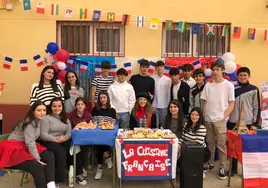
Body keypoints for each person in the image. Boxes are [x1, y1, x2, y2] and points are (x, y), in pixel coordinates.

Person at [0, 101, 57, 188]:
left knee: (49, 155)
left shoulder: (38, 120)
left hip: (24, 145)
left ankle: (51, 185)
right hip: (14, 149)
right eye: (39, 110)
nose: (42, 113)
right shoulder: (30, 122)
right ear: (33, 111)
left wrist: (54, 138)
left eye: (44, 110)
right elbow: (30, 142)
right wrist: (37, 158)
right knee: (37, 166)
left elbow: (37, 136)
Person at [40, 97, 87, 186]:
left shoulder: (66, 119)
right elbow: (43, 134)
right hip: (47, 141)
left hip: (61, 140)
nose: (57, 108)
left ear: (62, 107)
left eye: (59, 106)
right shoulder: (46, 118)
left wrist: (64, 138)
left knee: (74, 147)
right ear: (51, 107)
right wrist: (55, 139)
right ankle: (57, 179)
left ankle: (77, 174)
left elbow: (69, 133)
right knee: (61, 151)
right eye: (54, 106)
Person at [201, 61, 235, 180]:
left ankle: (222, 167)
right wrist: (204, 117)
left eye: (217, 70)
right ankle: (210, 163)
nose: (215, 72)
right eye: (213, 70)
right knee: (210, 143)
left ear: (222, 70)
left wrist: (223, 117)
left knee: (221, 145)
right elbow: (204, 102)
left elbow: (231, 104)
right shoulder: (208, 85)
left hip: (220, 120)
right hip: (208, 119)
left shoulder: (228, 85)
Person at [228, 67, 260, 176]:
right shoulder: (232, 88)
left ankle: (247, 170)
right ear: (237, 76)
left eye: (245, 75)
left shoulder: (254, 89)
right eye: (240, 75)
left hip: (248, 122)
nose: (243, 77)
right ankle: (233, 169)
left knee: (246, 147)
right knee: (233, 146)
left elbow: (257, 107)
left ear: (249, 76)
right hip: (233, 121)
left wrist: (254, 124)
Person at [177, 107, 210, 179]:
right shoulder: (186, 124)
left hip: (200, 151)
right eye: (192, 114)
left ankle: (199, 169)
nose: (194, 117)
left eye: (196, 115)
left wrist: (184, 143)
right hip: (187, 148)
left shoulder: (202, 128)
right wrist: (179, 145)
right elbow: (182, 137)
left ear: (200, 116)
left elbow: (198, 143)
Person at [91, 91, 116, 180]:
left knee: (100, 144)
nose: (102, 99)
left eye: (104, 97)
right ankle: (107, 156)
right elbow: (93, 122)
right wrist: (100, 124)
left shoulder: (112, 110)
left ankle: (100, 168)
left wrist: (104, 124)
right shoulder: (95, 109)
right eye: (101, 98)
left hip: (108, 134)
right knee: (99, 144)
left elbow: (113, 123)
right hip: (97, 133)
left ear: (107, 98)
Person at [68, 97, 93, 176]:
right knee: (75, 147)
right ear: (75, 106)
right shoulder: (70, 115)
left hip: (85, 138)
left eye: (82, 104)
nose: (80, 106)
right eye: (78, 104)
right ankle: (76, 167)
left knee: (85, 147)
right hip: (73, 138)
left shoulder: (88, 115)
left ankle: (82, 166)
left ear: (85, 106)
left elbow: (91, 127)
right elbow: (67, 129)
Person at [152, 61, 172, 128]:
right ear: (155, 68)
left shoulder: (168, 80)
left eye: (161, 66)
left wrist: (169, 104)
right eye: (158, 66)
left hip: (165, 106)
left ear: (164, 68)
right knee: (155, 124)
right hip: (154, 105)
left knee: (163, 125)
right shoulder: (152, 78)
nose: (159, 68)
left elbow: (169, 93)